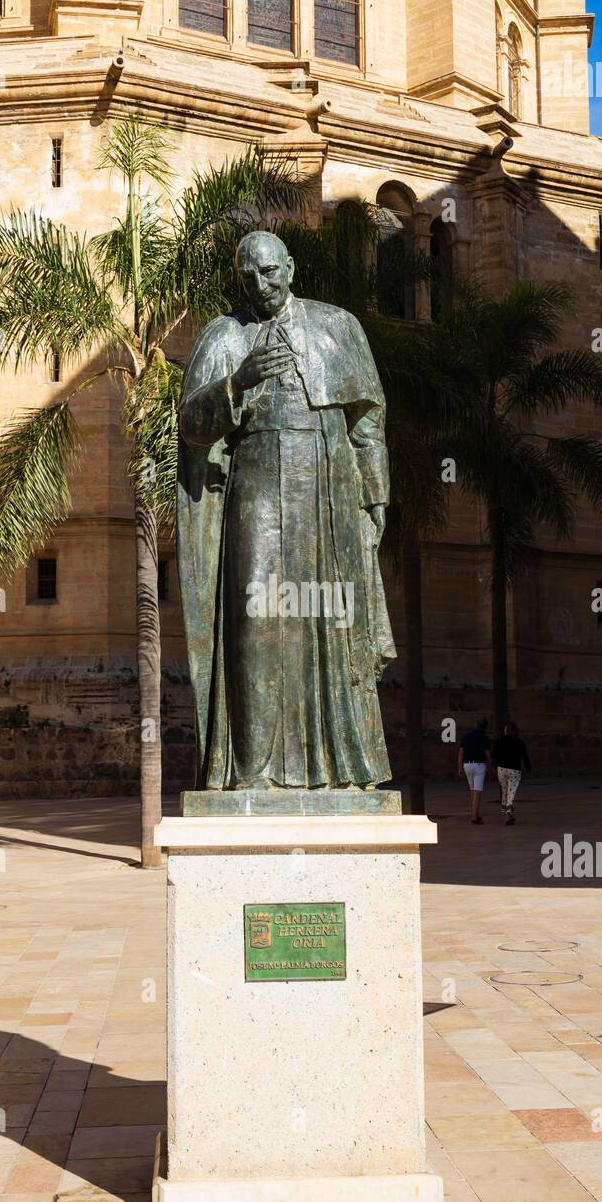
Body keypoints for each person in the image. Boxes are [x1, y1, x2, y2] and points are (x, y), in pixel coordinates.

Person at [176, 230, 396, 792]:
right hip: (255, 480)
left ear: (291, 268)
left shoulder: (338, 325)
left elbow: (368, 422)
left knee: (330, 620)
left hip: (328, 485)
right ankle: (252, 769)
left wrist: (375, 498)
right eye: (250, 276)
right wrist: (239, 379)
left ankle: (340, 768)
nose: (262, 284)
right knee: (255, 618)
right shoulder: (225, 335)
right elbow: (191, 427)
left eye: (271, 272)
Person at [492, 721, 532, 825]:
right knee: (511, 792)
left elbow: (494, 755)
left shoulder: (499, 741)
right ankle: (508, 814)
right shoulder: (519, 742)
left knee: (505, 792)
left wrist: (495, 766)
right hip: (514, 770)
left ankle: (508, 815)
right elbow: (525, 757)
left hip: (501, 769)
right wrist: (529, 769)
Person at [458, 718, 492, 824]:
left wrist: (459, 767)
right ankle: (474, 816)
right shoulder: (484, 738)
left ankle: (474, 813)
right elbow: (488, 754)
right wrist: (492, 764)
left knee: (472, 789)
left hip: (467, 765)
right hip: (479, 765)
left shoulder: (466, 736)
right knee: (477, 791)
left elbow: (460, 753)